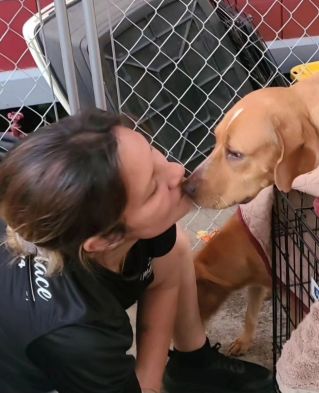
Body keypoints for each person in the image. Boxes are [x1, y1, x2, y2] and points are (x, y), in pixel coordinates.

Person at [0, 109, 273, 393]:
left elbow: (168, 271)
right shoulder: (77, 333)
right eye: (154, 188)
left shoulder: (131, 222)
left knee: (176, 244)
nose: (178, 170)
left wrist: (149, 382)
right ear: (105, 240)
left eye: (155, 153)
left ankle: (194, 363)